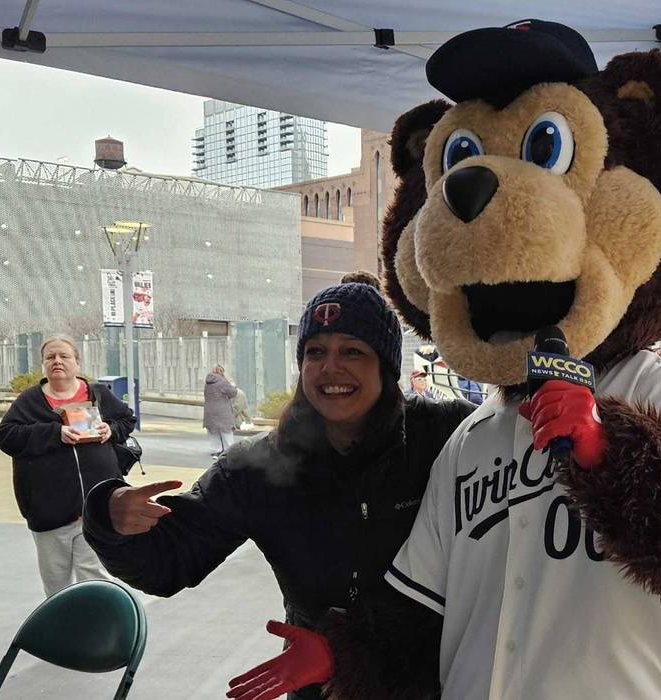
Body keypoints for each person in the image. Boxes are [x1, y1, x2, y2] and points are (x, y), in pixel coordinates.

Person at [83, 283, 477, 700]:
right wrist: (108, 516)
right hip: (316, 686)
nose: (330, 368)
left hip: (441, 682)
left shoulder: (447, 435)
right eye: (315, 352)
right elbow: (167, 566)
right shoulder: (259, 468)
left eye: (352, 352)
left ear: (386, 365)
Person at [0, 335, 136, 596]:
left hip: (97, 506)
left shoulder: (98, 395)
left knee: (95, 578)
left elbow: (127, 420)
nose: (57, 361)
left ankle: (98, 632)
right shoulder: (30, 401)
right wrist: (54, 433)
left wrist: (112, 429)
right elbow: (6, 437)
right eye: (50, 357)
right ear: (43, 365)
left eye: (64, 356)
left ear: (77, 362)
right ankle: (63, 632)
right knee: (56, 583)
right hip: (50, 509)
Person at [204, 364, 239, 457]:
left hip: (209, 411)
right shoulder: (222, 382)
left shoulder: (208, 383)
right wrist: (232, 384)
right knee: (226, 431)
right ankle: (228, 451)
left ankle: (217, 450)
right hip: (222, 411)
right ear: (222, 372)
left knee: (213, 431)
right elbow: (233, 393)